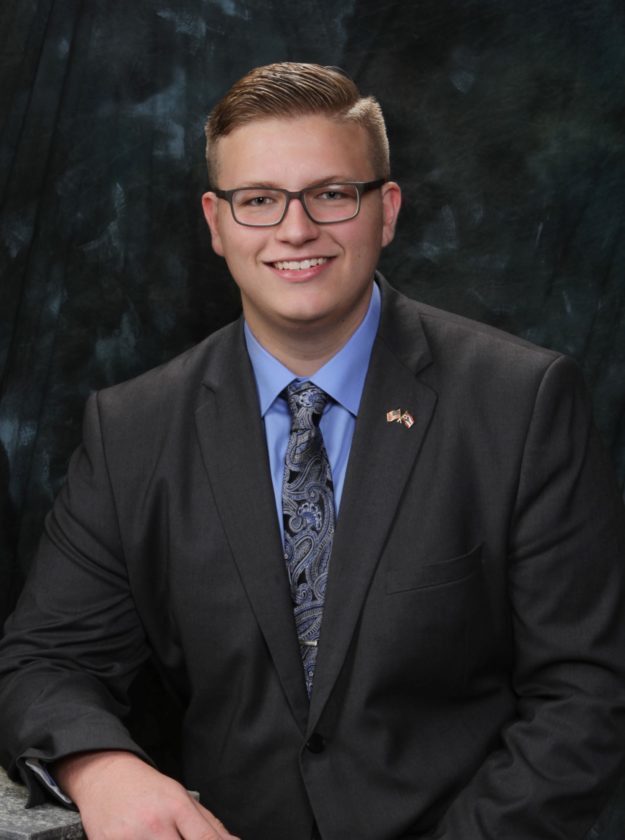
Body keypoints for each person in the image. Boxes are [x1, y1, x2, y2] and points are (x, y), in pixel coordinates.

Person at [1, 62, 624, 840]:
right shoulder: (133, 430)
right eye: (259, 199)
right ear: (216, 222)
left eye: (331, 194)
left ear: (385, 211)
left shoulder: (520, 403)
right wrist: (102, 768)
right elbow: (45, 662)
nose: (295, 230)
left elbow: (586, 693)